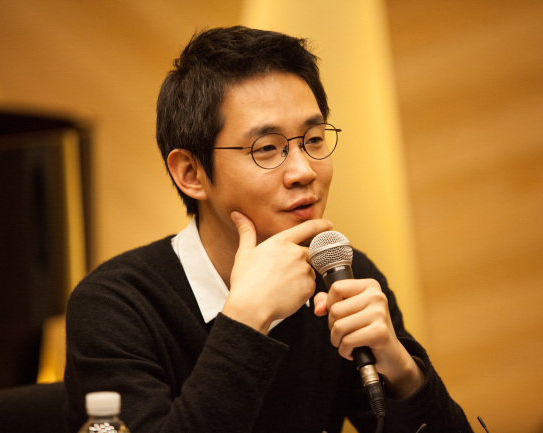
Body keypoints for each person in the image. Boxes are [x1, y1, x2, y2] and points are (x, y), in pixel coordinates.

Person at [64, 26, 473, 433]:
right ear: (191, 173)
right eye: (267, 149)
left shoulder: (341, 278)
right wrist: (246, 319)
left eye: (313, 139)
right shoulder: (113, 309)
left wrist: (402, 370)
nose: (304, 171)